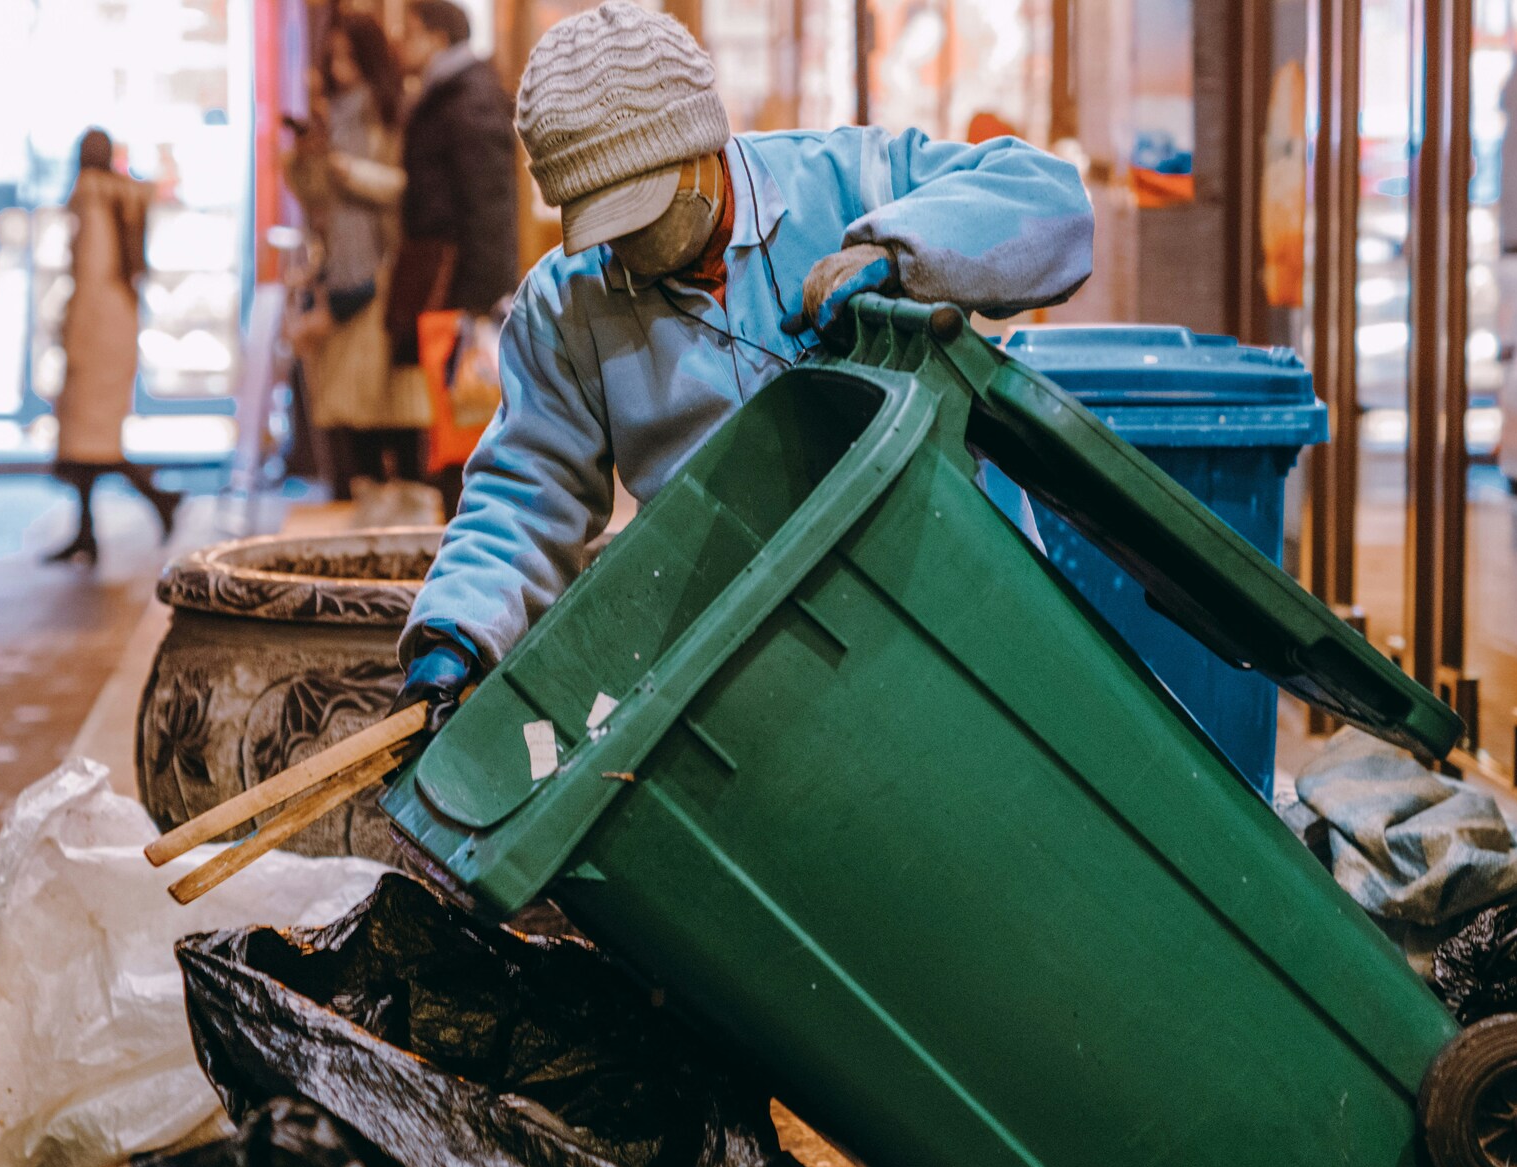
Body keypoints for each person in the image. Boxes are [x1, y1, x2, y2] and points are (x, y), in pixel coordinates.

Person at [393, 1, 1093, 731]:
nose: (624, 244)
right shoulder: (567, 305)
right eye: (599, 220)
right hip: (749, 661)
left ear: (701, 144)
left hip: (951, 600)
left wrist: (904, 255)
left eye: (640, 210)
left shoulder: (847, 180)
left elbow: (1054, 206)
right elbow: (524, 493)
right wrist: (458, 631)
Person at [286, 14, 430, 498]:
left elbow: (407, 190)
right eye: (333, 58)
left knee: (392, 401)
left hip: (385, 271)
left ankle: (407, 500)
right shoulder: (335, 115)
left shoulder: (392, 112)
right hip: (342, 274)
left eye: (349, 56)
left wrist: (351, 171)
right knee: (351, 405)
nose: (340, 68)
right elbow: (316, 202)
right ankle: (366, 497)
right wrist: (304, 158)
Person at [388, 0, 519, 519]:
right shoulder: (451, 95)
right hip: (446, 285)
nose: (401, 45)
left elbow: (488, 208)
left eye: (410, 32)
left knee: (463, 428)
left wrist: (482, 302)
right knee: (452, 429)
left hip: (461, 290)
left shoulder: (466, 98)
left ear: (437, 37)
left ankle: (468, 552)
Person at [46, 129, 177, 565]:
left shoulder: (92, 197)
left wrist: (72, 335)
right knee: (88, 443)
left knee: (92, 443)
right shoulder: (125, 195)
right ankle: (87, 531)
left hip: (95, 325)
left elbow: (91, 270)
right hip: (118, 319)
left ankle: (157, 498)